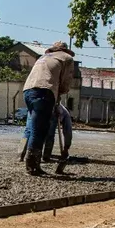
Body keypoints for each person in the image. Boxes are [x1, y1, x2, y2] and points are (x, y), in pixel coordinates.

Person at [21, 42, 75, 175]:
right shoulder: (67, 59)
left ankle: (24, 157)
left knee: (32, 126)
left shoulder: (43, 57)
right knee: (40, 130)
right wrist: (58, 98)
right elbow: (65, 83)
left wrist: (55, 102)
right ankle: (32, 166)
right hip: (44, 91)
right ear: (65, 50)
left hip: (28, 90)